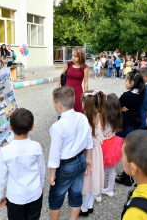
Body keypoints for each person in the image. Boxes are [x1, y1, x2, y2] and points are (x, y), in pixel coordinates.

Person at [48, 87, 93, 220]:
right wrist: (88, 160)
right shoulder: (82, 117)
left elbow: (54, 154)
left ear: (59, 105)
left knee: (56, 196)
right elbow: (89, 139)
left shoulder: (58, 126)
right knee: (76, 193)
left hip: (66, 165)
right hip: (81, 160)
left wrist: (52, 175)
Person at [0, 108, 45, 220]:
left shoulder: (5, 151)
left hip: (15, 197)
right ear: (32, 127)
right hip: (34, 193)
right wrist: (41, 185)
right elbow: (41, 169)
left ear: (10, 127)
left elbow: (0, 177)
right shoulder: (36, 146)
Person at [115, 70, 146, 186]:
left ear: (132, 83)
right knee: (132, 150)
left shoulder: (127, 95)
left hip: (126, 125)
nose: (124, 83)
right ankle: (132, 173)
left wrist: (120, 106)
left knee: (126, 151)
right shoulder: (142, 93)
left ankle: (127, 176)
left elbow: (115, 104)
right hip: (136, 124)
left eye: (126, 80)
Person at [80, 90, 106, 216]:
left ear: (85, 104)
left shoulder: (84, 119)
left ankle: (84, 208)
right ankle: (89, 205)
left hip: (88, 153)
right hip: (97, 152)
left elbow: (83, 141)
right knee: (94, 178)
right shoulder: (98, 116)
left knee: (86, 179)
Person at [100, 93, 123, 199]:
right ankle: (110, 189)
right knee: (111, 168)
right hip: (113, 142)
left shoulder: (102, 118)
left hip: (104, 145)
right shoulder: (117, 116)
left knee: (102, 169)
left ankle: (99, 191)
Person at [57, 47, 88, 113]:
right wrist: (57, 87)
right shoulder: (68, 64)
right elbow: (61, 75)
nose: (73, 58)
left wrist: (85, 96)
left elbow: (86, 82)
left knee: (78, 111)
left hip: (77, 93)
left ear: (81, 57)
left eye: (75, 56)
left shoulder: (84, 67)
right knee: (66, 111)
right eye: (72, 55)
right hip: (66, 92)